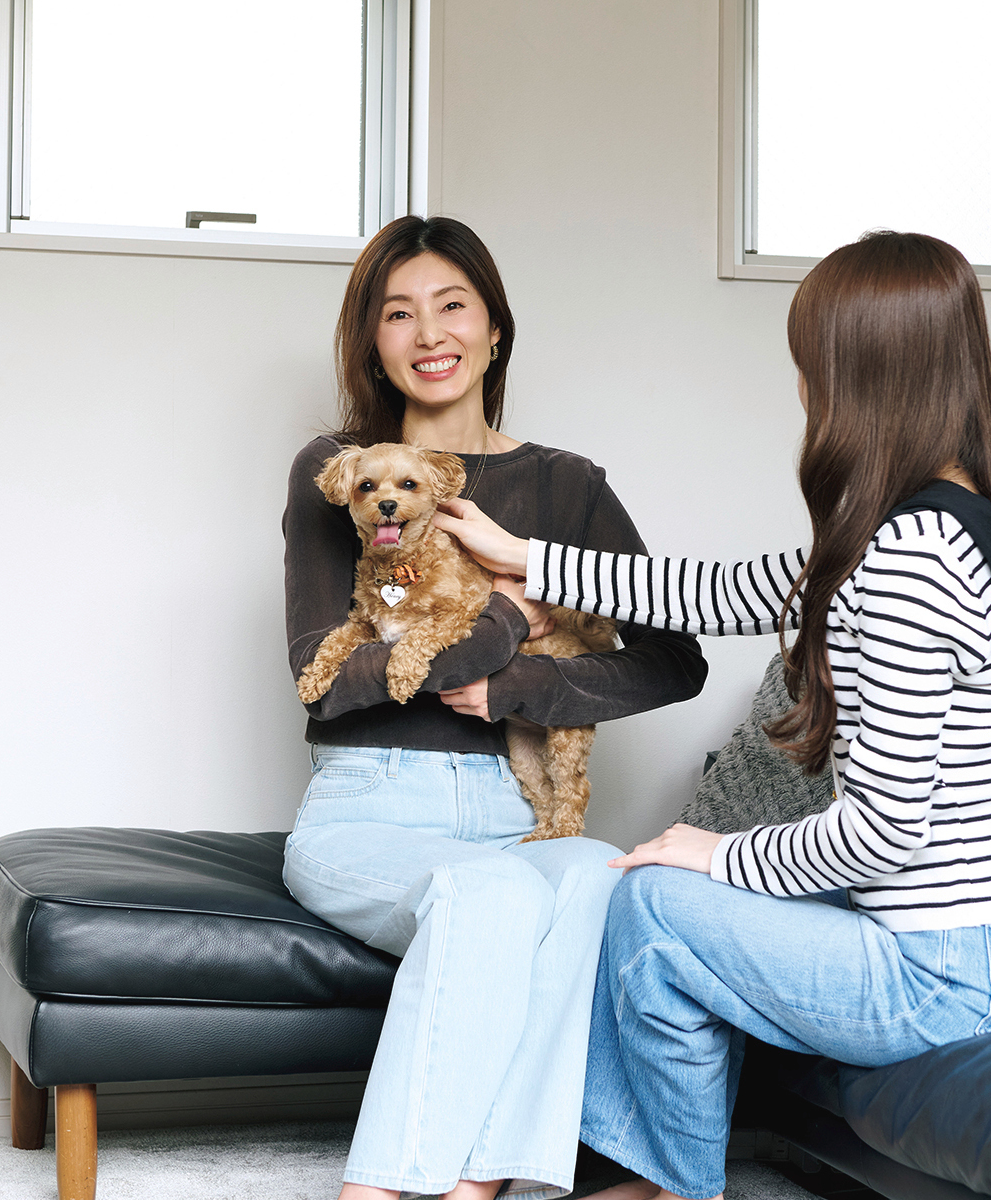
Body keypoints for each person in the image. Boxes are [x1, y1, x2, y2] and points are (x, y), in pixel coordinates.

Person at [433, 231, 991, 1200]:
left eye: (809, 365)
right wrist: (528, 558)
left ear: (855, 380)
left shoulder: (908, 560)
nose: (800, 388)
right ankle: (651, 1174)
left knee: (655, 906)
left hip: (970, 968)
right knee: (686, 898)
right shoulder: (946, 514)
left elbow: (882, 833)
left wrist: (709, 851)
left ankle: (659, 1184)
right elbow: (716, 591)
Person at [281, 215, 707, 1200]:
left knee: (605, 878)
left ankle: (479, 1188)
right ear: (374, 344)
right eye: (399, 313)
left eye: (454, 305)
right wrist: (508, 615)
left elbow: (672, 660)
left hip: (519, 808)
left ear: (495, 330)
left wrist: (516, 685)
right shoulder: (343, 474)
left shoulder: (566, 487)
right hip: (369, 805)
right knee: (498, 892)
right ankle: (384, 1191)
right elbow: (328, 676)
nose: (430, 333)